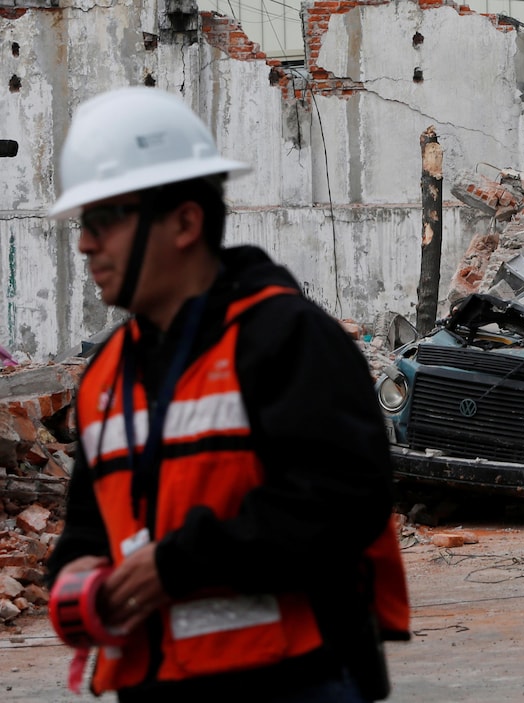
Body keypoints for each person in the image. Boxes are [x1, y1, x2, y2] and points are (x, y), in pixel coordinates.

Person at [43, 87, 410, 701]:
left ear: (185, 221)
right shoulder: (108, 371)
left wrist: (176, 565)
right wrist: (75, 572)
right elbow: (91, 521)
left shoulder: (285, 337)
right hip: (155, 681)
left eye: (104, 220)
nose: (86, 244)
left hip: (295, 678)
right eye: (85, 223)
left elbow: (342, 501)